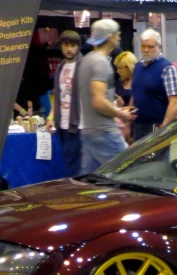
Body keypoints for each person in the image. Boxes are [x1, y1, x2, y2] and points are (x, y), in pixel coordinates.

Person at [76, 19, 135, 174]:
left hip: (88, 131)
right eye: (118, 35)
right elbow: (98, 101)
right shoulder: (100, 63)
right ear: (110, 37)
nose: (119, 38)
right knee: (129, 172)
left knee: (91, 182)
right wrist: (121, 113)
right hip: (104, 131)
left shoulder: (86, 60)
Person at [131, 28, 177, 142]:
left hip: (157, 126)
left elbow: (175, 102)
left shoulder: (167, 68)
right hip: (138, 126)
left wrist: (163, 129)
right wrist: (128, 123)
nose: (146, 50)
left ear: (159, 47)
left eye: (150, 47)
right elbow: (135, 95)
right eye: (143, 46)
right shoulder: (138, 67)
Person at [44, 30, 83, 177]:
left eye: (73, 45)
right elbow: (58, 95)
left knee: (73, 167)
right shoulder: (60, 67)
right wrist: (51, 117)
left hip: (78, 125)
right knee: (68, 163)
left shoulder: (83, 65)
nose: (69, 49)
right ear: (61, 46)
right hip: (62, 125)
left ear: (78, 47)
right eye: (66, 45)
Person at [113, 51, 137, 142]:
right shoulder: (119, 82)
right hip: (120, 124)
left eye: (120, 68)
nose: (118, 71)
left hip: (134, 125)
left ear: (128, 68)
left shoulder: (138, 83)